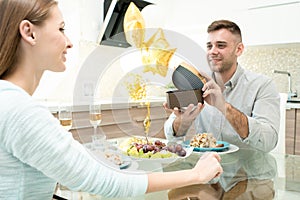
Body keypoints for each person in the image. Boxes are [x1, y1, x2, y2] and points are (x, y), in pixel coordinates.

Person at [0, 0, 223, 199]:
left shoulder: (10, 101)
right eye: (61, 29)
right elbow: (106, 182)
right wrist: (196, 174)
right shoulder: (20, 110)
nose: (69, 42)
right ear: (29, 32)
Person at [164, 20, 280, 153]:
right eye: (209, 46)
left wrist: (223, 106)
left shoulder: (263, 85)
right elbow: (170, 135)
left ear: (239, 49)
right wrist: (182, 122)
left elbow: (268, 141)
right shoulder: (196, 83)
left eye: (221, 45)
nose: (212, 52)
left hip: (247, 170)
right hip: (207, 169)